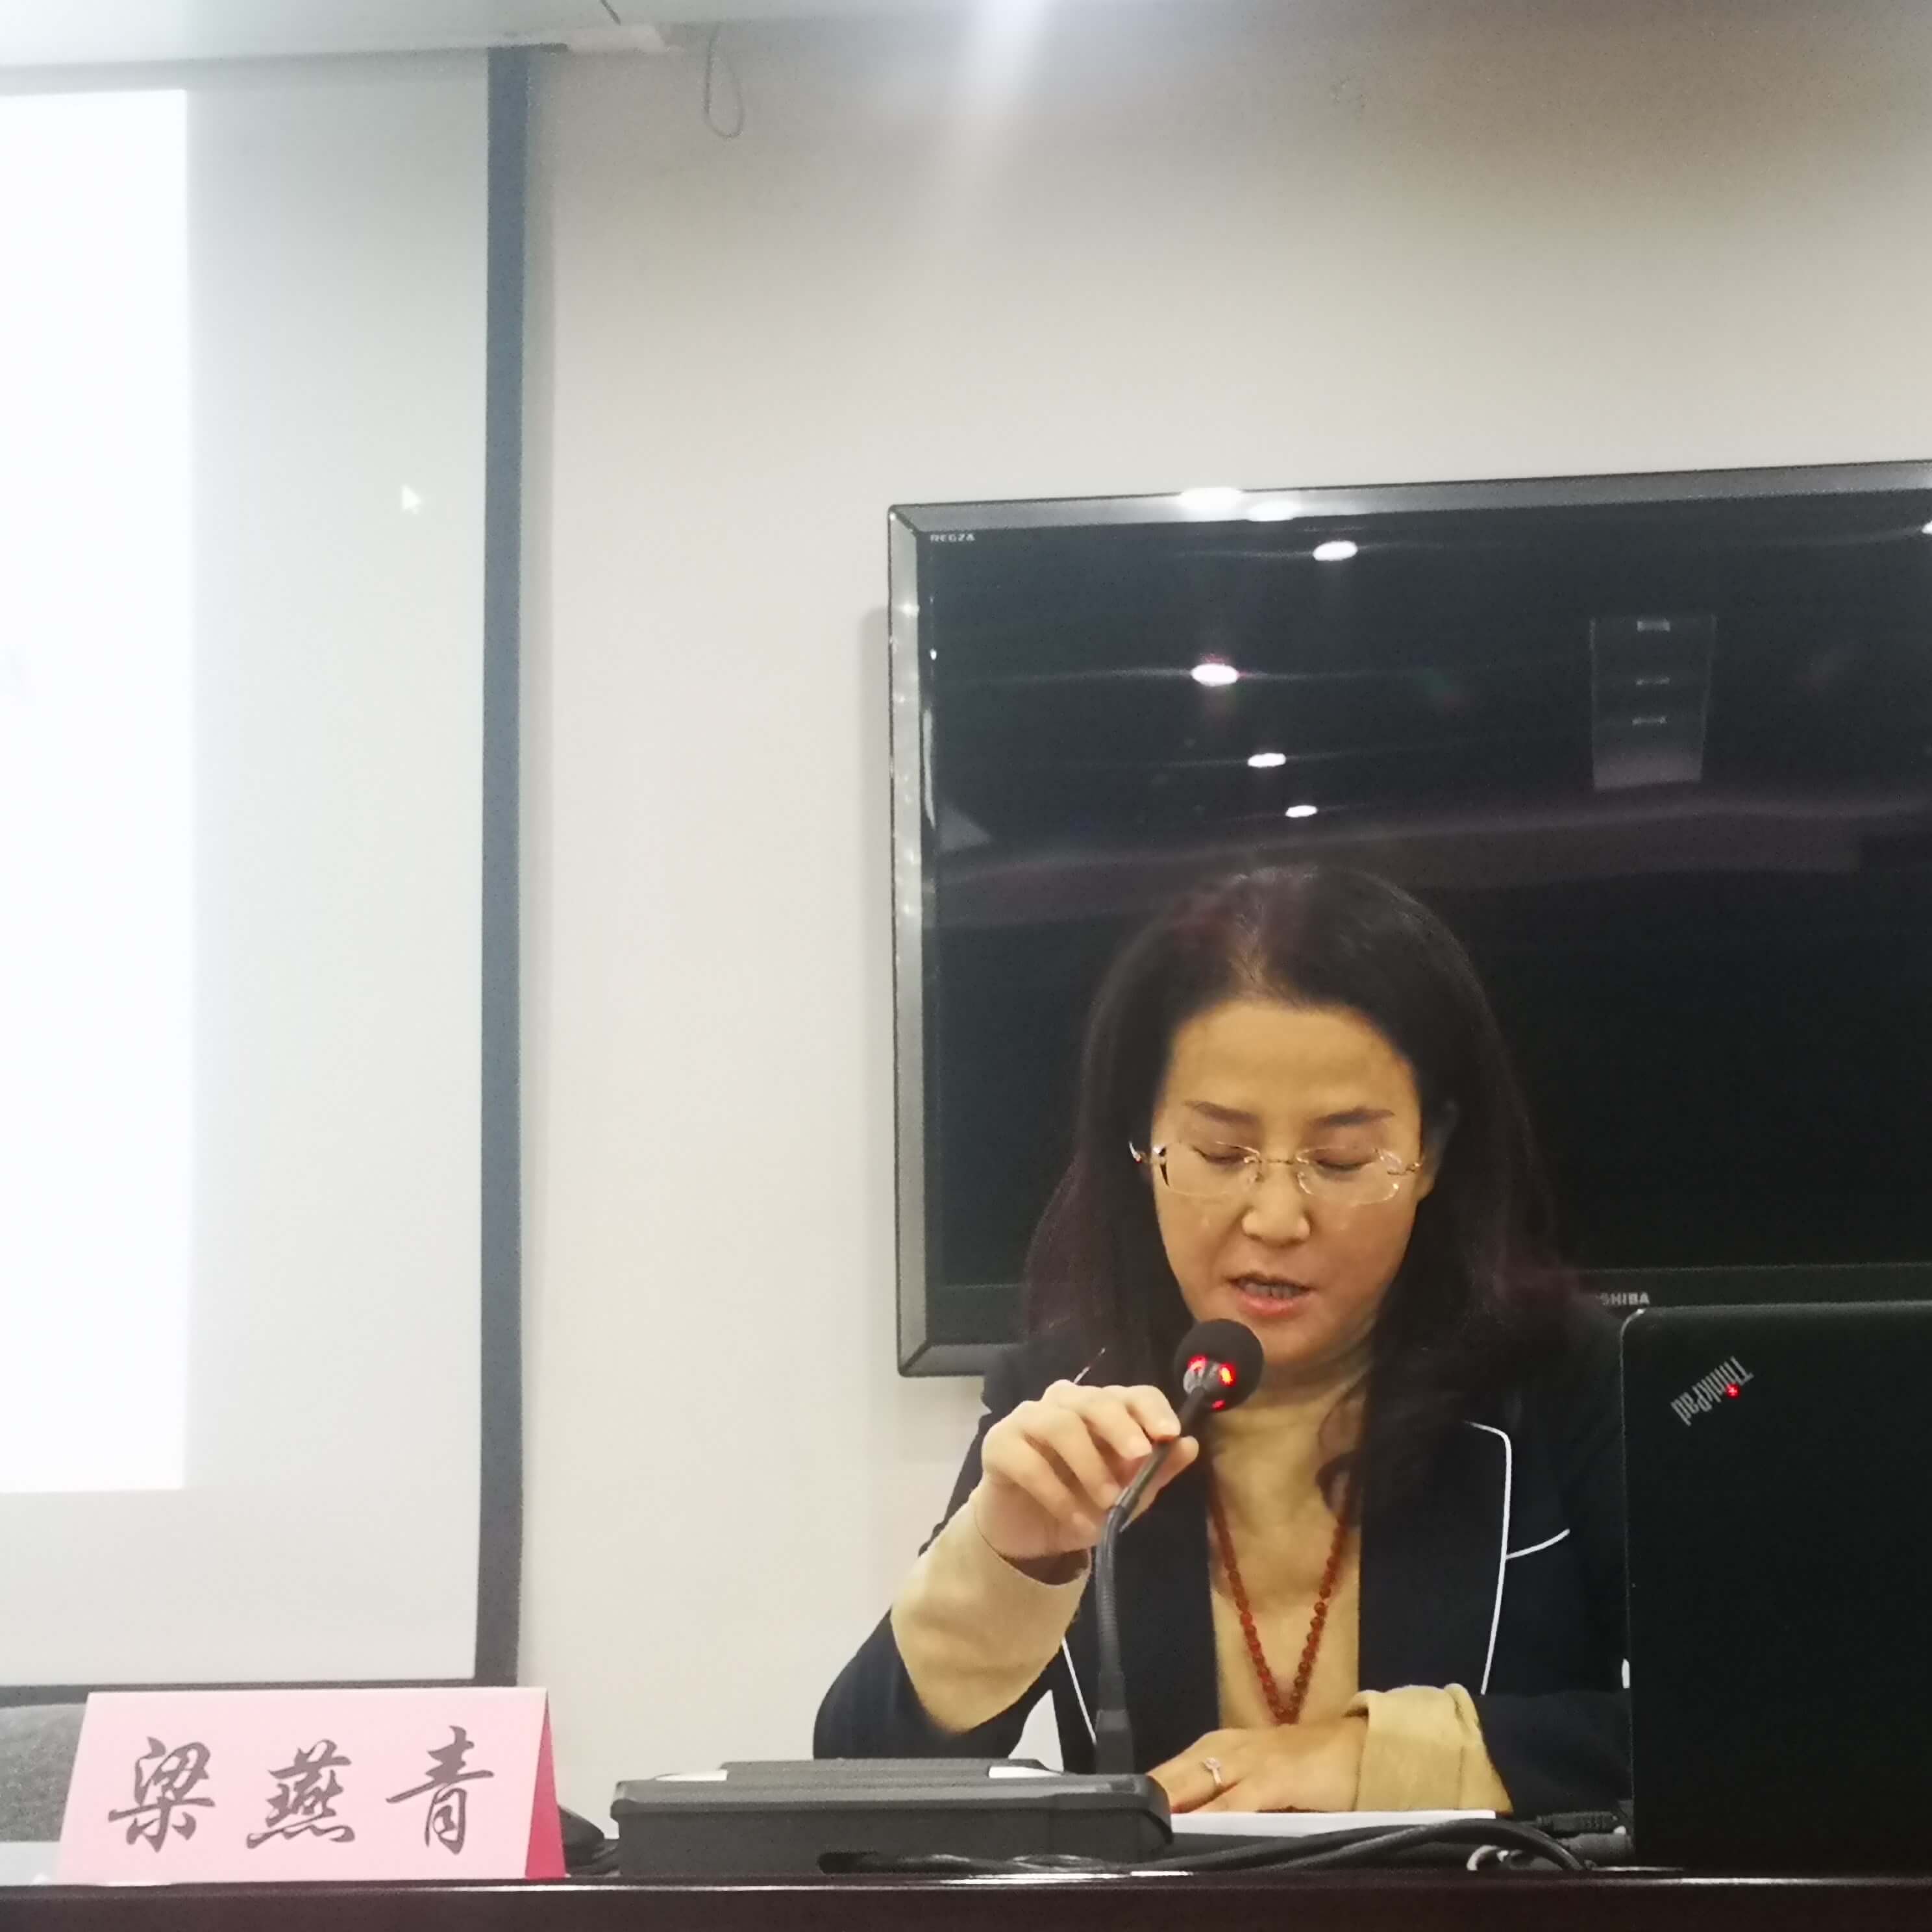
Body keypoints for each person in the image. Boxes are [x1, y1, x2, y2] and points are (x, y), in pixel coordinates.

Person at [815, 867, 1626, 1818]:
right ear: (1144, 1145)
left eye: (1342, 1160)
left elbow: (1741, 1727)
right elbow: (853, 1782)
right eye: (1219, 1153)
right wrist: (1008, 1561)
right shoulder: (1066, 1392)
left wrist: (1373, 1760)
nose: (1275, 1217)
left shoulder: (1561, 1377)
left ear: (1431, 1155)